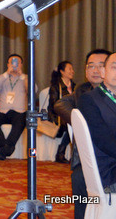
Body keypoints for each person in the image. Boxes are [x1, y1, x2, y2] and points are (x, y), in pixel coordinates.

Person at [54, 49, 111, 219]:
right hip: (89, 158)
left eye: (101, 66)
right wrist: (82, 122)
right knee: (79, 178)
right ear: (86, 71)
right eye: (91, 66)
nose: (95, 70)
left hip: (110, 156)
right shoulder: (82, 92)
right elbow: (59, 104)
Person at [77, 52, 116, 195]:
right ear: (103, 72)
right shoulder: (89, 100)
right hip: (109, 169)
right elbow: (103, 139)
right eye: (114, 67)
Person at [0, 53, 34, 160]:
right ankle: (3, 147)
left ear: (21, 64)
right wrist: (6, 73)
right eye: (12, 63)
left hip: (19, 112)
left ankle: (8, 147)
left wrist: (21, 76)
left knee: (20, 122)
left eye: (17, 63)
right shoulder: (3, 77)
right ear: (8, 64)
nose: (14, 65)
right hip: (3, 111)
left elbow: (33, 90)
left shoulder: (25, 78)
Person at [47, 60, 76, 163]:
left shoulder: (75, 87)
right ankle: (61, 153)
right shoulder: (56, 87)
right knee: (73, 126)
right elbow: (55, 105)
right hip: (58, 117)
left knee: (75, 124)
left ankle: (65, 154)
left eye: (72, 69)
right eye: (69, 69)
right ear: (62, 72)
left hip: (71, 116)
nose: (72, 71)